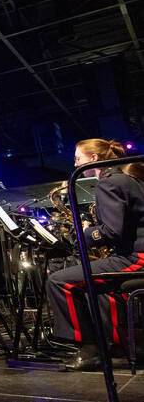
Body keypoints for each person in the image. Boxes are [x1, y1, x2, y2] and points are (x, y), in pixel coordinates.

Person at [46, 138, 144, 371]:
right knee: (98, 286)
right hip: (135, 253)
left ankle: (89, 348)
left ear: (93, 159)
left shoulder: (110, 183)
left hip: (137, 257)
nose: (75, 162)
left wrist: (84, 233)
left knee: (59, 281)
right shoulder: (131, 179)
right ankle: (115, 342)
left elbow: (112, 231)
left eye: (78, 157)